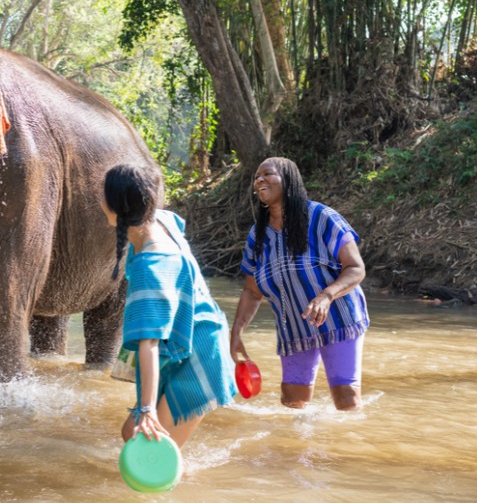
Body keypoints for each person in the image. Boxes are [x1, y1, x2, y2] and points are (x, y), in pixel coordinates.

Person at [101, 164, 237, 448]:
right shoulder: (160, 220)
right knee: (130, 433)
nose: (99, 200)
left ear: (118, 207)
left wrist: (147, 409)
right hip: (190, 341)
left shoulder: (151, 267)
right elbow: (176, 221)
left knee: (152, 448)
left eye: (103, 195)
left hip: (199, 358)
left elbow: (149, 343)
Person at [230, 157, 370, 410]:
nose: (259, 180)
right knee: (292, 402)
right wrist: (237, 332)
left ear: (288, 180)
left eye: (267, 174)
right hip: (294, 328)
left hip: (339, 320)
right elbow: (252, 291)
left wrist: (327, 296)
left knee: (346, 397)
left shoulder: (322, 217)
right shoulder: (257, 235)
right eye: (256, 177)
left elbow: (356, 268)